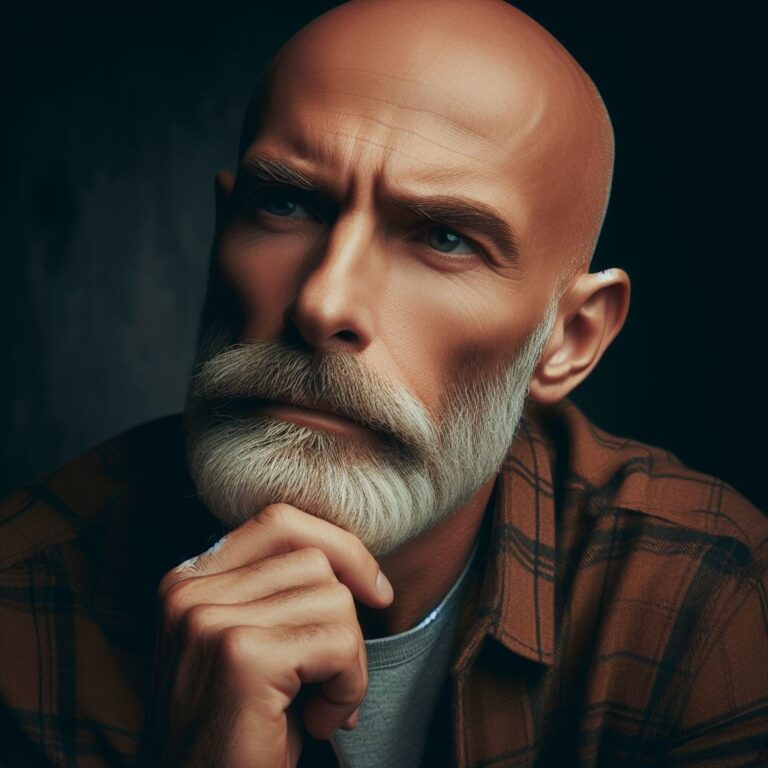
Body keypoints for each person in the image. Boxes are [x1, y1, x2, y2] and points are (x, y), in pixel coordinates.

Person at [1, 1, 766, 766]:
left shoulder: (704, 603)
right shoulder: (21, 616)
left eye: (444, 239)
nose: (322, 303)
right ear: (221, 226)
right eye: (285, 203)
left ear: (568, 340)